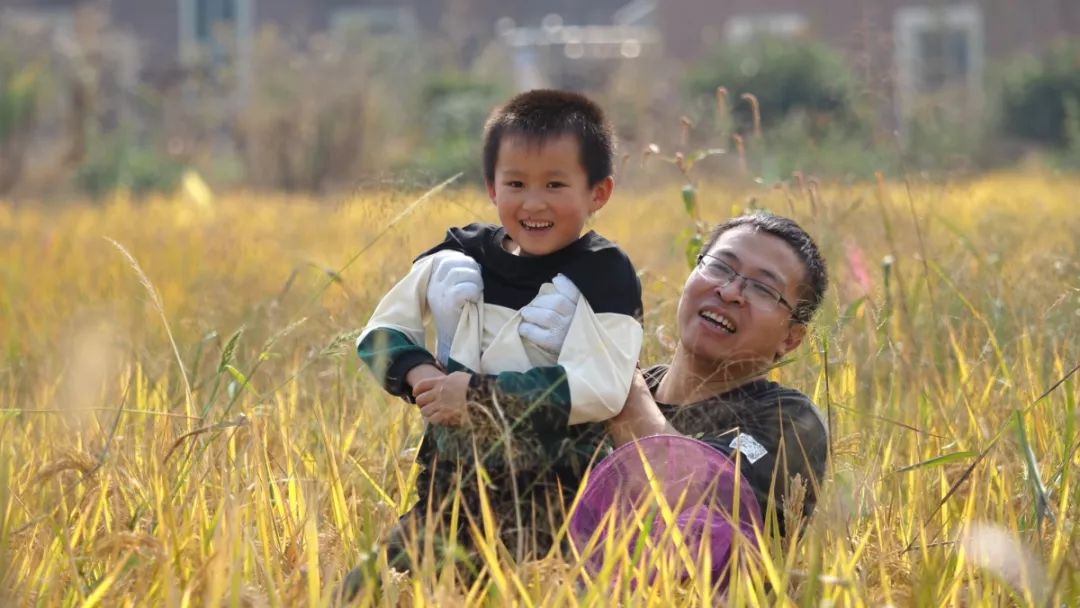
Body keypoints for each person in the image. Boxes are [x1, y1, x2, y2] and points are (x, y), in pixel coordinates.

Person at [427, 211, 829, 565]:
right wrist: (460, 348)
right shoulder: (587, 385)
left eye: (762, 288)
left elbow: (693, 504)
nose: (729, 292)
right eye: (720, 267)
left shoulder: (790, 422)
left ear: (791, 338)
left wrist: (604, 363)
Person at [354, 89, 643, 577]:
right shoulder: (460, 253)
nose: (533, 203)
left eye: (555, 184)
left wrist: (478, 397)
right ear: (491, 187)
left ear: (599, 193)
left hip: (554, 509)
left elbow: (602, 388)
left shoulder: (603, 273)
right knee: (367, 588)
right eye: (516, 184)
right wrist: (420, 374)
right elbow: (379, 333)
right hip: (448, 495)